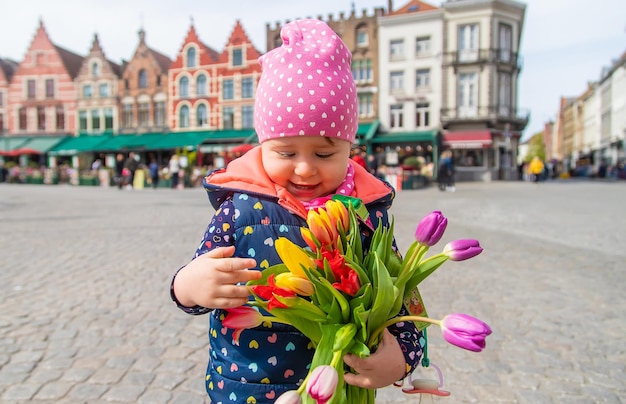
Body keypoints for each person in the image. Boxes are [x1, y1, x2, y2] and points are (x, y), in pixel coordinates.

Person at [170, 19, 424, 403]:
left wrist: (402, 358)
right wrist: (187, 287)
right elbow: (199, 275)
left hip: (335, 388)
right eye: (285, 153)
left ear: (350, 148)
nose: (305, 168)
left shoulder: (366, 215)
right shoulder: (240, 209)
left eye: (325, 154)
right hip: (245, 387)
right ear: (262, 144)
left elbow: (403, 297)